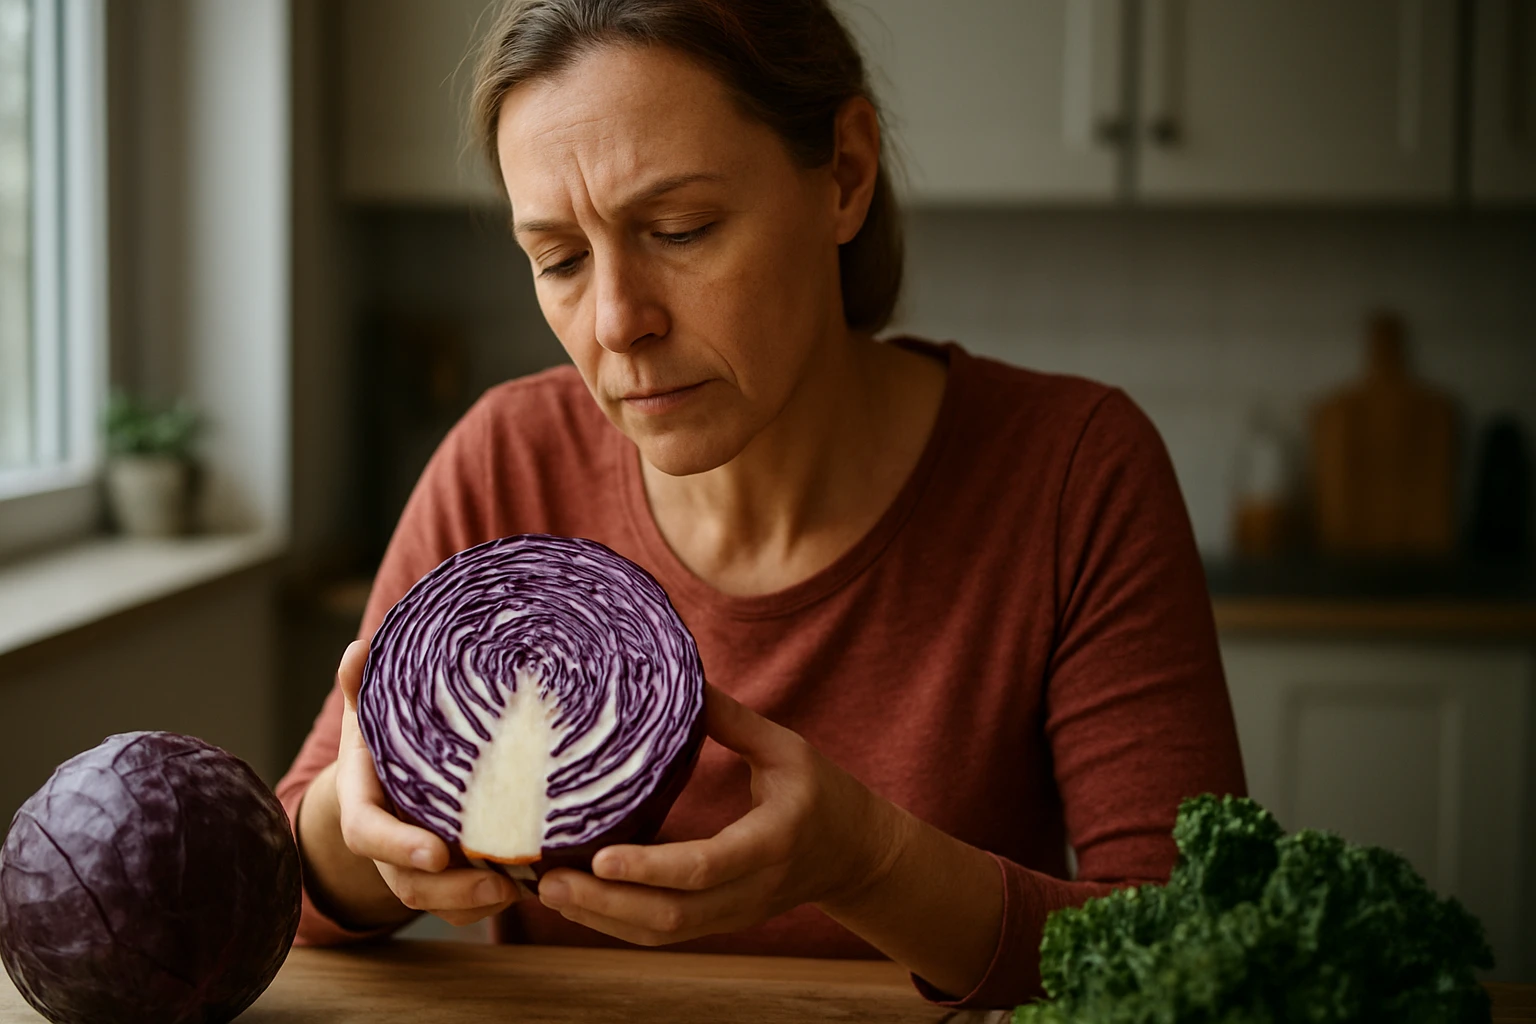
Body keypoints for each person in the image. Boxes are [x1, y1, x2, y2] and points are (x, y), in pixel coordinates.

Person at [276, 0, 1246, 1010]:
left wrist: (870, 863)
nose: (617, 322)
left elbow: (1200, 950)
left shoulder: (1075, 472)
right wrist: (369, 825)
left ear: (847, 174)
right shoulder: (504, 458)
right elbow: (279, 883)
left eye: (681, 228)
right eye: (558, 258)